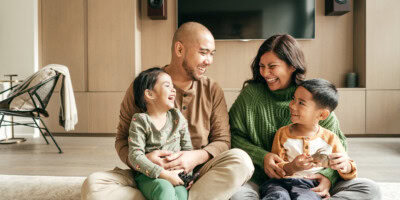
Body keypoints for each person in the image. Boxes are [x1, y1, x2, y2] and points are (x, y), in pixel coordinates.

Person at [81, 22, 254, 200]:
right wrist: (146, 160)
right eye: (203, 53)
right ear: (179, 50)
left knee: (242, 162)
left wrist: (193, 158)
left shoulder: (212, 89)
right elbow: (122, 140)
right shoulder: (144, 85)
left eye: (211, 54)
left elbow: (223, 141)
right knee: (93, 185)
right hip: (148, 174)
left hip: (196, 176)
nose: (208, 61)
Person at [229, 34, 381, 200]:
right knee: (237, 194)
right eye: (261, 66)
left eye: (272, 66)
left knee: (370, 189)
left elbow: (339, 145)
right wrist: (261, 157)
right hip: (262, 181)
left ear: (292, 66)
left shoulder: (312, 95)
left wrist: (327, 177)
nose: (265, 73)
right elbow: (231, 136)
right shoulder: (251, 95)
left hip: (310, 182)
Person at [259, 79, 357, 200]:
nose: (292, 105)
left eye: (301, 103)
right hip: (279, 184)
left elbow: (348, 169)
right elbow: (276, 167)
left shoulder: (331, 138)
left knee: (306, 197)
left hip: (309, 186)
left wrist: (345, 165)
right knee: (277, 196)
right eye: (293, 99)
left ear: (322, 115)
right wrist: (292, 167)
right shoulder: (282, 133)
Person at [129, 67, 194, 200]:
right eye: (167, 85)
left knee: (182, 194)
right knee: (164, 189)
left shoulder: (178, 118)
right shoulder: (140, 121)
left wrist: (187, 174)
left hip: (176, 174)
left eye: (173, 86)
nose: (173, 89)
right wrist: (163, 174)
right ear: (149, 94)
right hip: (148, 176)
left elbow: (187, 150)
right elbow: (135, 156)